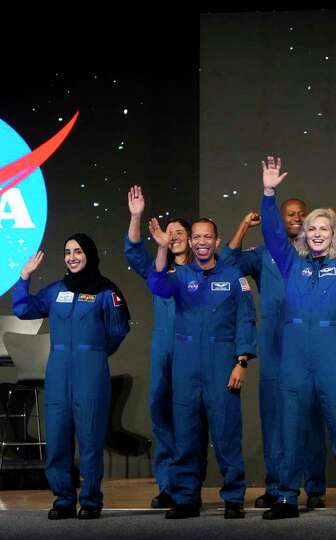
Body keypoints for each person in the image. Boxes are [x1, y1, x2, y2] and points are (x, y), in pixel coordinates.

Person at [258, 157, 336, 521]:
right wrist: (268, 194)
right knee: (290, 426)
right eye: (312, 228)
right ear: (304, 234)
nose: (317, 233)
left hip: (332, 351)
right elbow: (271, 234)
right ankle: (285, 496)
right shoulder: (289, 263)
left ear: (332, 233)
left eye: (324, 228)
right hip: (294, 352)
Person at [220, 197, 336, 510]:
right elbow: (227, 262)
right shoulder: (267, 253)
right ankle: (278, 484)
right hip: (274, 339)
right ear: (279, 220)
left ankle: (315, 485)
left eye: (300, 214)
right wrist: (242, 226)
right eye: (290, 214)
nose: (296, 218)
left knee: (311, 414)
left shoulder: (314, 256)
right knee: (275, 415)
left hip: (308, 338)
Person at [12, 235, 130, 520]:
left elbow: (118, 331)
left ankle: (90, 501)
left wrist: (96, 354)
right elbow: (23, 308)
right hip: (58, 371)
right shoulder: (55, 291)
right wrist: (24, 277)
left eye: (77, 251)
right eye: (67, 252)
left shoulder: (106, 292)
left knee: (90, 437)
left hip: (91, 370)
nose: (72, 257)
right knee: (57, 437)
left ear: (89, 254)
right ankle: (63, 498)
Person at [147, 217, 257, 520]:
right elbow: (156, 284)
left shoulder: (235, 277)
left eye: (207, 237)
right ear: (191, 243)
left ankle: (233, 497)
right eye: (196, 237)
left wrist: (241, 362)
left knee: (226, 434)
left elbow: (246, 320)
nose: (201, 242)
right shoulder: (180, 275)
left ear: (217, 242)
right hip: (185, 366)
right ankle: (186, 498)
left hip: (221, 363)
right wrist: (160, 249)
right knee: (186, 435)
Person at [123, 185, 196, 509]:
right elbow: (132, 251)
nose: (175, 236)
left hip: (193, 353)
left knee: (189, 420)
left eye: (182, 232)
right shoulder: (159, 271)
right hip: (163, 351)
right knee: (161, 414)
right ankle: (168, 485)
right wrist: (136, 216)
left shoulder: (201, 271)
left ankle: (188, 486)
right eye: (171, 232)